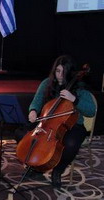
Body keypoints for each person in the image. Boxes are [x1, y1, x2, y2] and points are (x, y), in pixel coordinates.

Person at [15, 55, 96, 188]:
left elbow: (91, 110)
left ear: (70, 73)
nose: (59, 75)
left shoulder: (79, 88)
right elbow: (37, 101)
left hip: (72, 125)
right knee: (21, 134)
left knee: (70, 143)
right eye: (57, 71)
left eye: (63, 72)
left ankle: (57, 171)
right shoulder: (47, 83)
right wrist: (33, 111)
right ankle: (37, 167)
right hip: (47, 122)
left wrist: (74, 99)